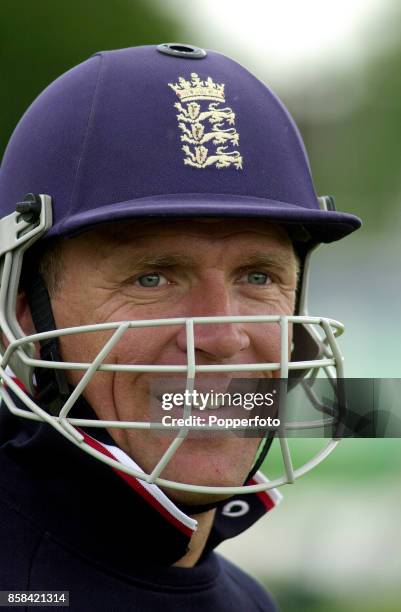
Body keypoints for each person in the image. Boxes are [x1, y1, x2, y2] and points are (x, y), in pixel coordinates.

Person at [0, 43, 361, 610]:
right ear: (24, 314)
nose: (223, 339)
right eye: (152, 279)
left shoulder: (250, 600)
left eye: (259, 277)